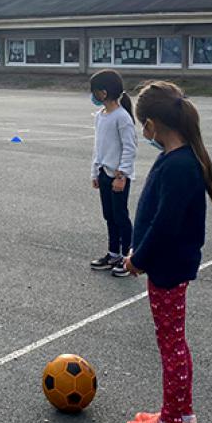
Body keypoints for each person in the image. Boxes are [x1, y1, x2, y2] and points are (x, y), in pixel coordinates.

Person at [118, 81, 212, 423]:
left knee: (172, 345)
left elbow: (165, 224)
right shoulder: (177, 157)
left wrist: (138, 258)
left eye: (142, 122)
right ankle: (181, 416)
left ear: (154, 124)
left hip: (167, 265)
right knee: (173, 342)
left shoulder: (180, 166)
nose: (142, 129)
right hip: (168, 264)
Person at [87, 70, 138, 272]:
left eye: (94, 91)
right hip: (104, 173)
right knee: (109, 215)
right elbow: (98, 147)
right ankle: (113, 254)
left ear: (104, 93)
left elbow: (129, 148)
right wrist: (94, 172)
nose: (92, 95)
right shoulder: (101, 116)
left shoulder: (122, 117)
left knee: (121, 217)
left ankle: (128, 258)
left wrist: (121, 175)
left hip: (118, 177)